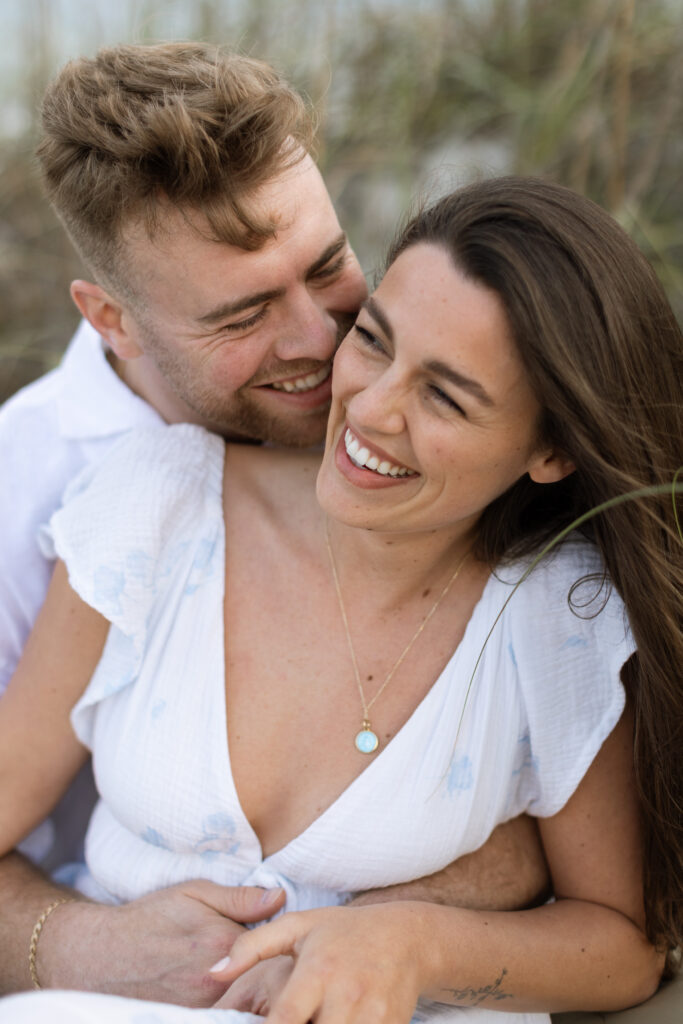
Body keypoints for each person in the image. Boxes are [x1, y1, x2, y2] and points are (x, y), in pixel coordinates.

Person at [1, 175, 680, 1024]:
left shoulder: (558, 615)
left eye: (443, 395)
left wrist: (409, 943)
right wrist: (68, 943)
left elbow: (621, 945)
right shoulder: (155, 504)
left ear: (549, 451)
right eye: (373, 340)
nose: (370, 405)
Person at [0, 43, 547, 1003]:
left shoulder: (421, 411)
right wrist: (72, 946)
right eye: (241, 316)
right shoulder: (27, 491)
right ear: (111, 322)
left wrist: (429, 901)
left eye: (329, 265)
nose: (320, 341)